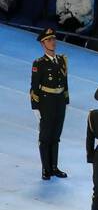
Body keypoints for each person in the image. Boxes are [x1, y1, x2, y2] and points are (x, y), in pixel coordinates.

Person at [30, 25, 70, 179]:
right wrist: (35, 107)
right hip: (46, 102)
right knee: (45, 137)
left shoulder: (62, 60)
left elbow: (65, 82)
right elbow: (34, 87)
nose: (52, 42)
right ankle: (45, 168)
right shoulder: (39, 63)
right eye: (48, 40)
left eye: (53, 39)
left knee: (56, 136)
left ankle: (54, 167)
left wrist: (66, 101)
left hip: (59, 101)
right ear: (43, 44)